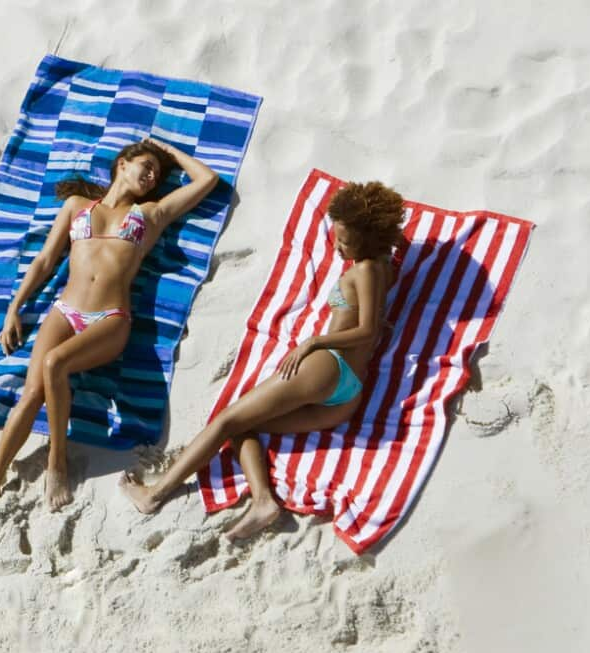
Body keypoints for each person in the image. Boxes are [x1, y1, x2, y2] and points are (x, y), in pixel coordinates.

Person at [119, 181, 406, 540]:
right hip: (347, 397)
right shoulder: (381, 263)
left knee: (225, 421)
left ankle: (154, 494)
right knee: (245, 427)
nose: (336, 245)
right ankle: (263, 502)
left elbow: (369, 331)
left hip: (327, 367)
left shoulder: (363, 270)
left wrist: (314, 341)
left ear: (368, 239)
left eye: (345, 241)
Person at [0, 138, 220, 511]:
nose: (152, 176)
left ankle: (57, 460)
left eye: (157, 174)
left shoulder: (151, 214)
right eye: (146, 166)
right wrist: (14, 308)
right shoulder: (77, 207)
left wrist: (164, 149)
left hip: (110, 318)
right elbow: (45, 260)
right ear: (122, 164)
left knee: (55, 364)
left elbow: (206, 179)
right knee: (31, 393)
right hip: (64, 310)